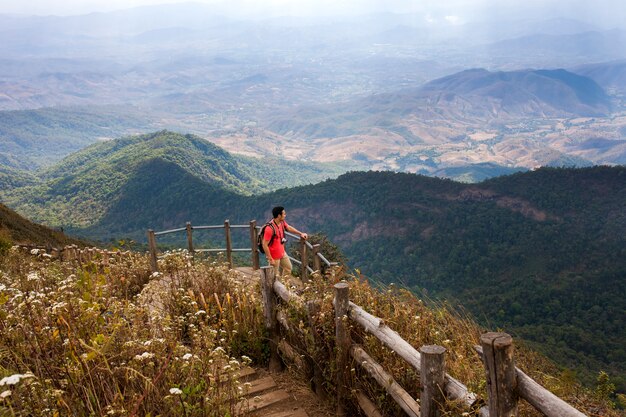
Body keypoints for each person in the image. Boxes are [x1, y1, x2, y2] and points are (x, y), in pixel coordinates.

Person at [261, 206, 307, 280]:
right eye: (284, 214)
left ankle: (283, 286)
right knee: (274, 276)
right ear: (279, 215)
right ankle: (273, 290)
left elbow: (288, 227)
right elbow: (264, 244)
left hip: (282, 252)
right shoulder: (269, 228)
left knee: (288, 268)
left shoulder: (281, 222)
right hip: (274, 256)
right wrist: (270, 258)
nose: (285, 215)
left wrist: (300, 233)